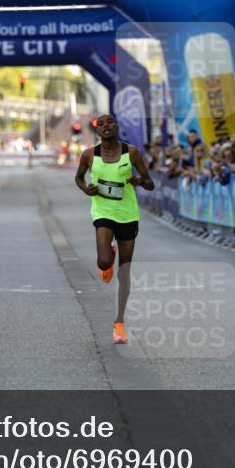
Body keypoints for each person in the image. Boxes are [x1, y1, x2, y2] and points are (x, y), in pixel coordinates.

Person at [74, 114, 155, 345]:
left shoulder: (132, 153)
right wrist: (86, 189)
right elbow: (78, 178)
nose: (106, 126)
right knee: (103, 262)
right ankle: (108, 256)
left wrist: (139, 181)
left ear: (117, 127)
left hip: (128, 215)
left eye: (110, 122)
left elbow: (150, 183)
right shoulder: (89, 155)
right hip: (103, 213)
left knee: (124, 273)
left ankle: (119, 324)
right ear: (97, 131)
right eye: (101, 124)